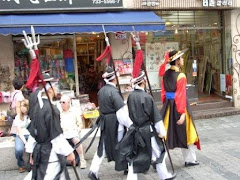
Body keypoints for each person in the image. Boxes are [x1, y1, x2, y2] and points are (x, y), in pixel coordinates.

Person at [118, 71, 176, 180]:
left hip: (135, 131)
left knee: (134, 156)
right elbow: (156, 117)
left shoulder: (130, 97)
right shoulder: (147, 97)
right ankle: (164, 176)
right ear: (143, 82)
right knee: (160, 153)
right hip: (147, 131)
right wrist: (162, 132)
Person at [24, 77, 76, 180]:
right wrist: (69, 152)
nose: (56, 89)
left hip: (40, 152)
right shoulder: (51, 109)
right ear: (50, 89)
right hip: (50, 155)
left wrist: (30, 152)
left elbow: (33, 134)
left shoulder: (36, 108)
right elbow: (56, 135)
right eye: (55, 86)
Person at [88, 67, 133, 180]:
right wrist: (131, 125)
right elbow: (121, 114)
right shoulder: (114, 92)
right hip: (115, 123)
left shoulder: (101, 91)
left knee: (103, 146)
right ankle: (127, 166)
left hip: (105, 122)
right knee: (123, 145)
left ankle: (93, 169)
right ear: (114, 79)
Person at [160, 50, 201, 167]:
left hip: (168, 106)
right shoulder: (181, 76)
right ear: (177, 61)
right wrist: (182, 113)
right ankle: (190, 159)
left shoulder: (166, 74)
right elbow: (180, 95)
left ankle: (159, 159)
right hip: (180, 106)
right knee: (188, 132)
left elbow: (163, 94)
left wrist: (166, 105)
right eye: (181, 58)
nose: (183, 60)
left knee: (165, 133)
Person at [59, 94, 87, 169]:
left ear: (69, 102)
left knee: (76, 140)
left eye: (63, 102)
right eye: (60, 102)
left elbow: (80, 124)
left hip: (73, 133)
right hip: (63, 134)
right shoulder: (59, 113)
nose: (62, 104)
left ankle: (82, 159)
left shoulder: (74, 111)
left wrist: (77, 130)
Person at [13, 99, 31, 173]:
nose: (22, 108)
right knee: (19, 150)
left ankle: (31, 164)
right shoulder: (18, 117)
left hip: (31, 135)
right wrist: (25, 142)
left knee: (35, 147)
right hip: (21, 136)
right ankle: (21, 164)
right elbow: (19, 131)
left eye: (24, 106)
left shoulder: (32, 116)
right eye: (21, 106)